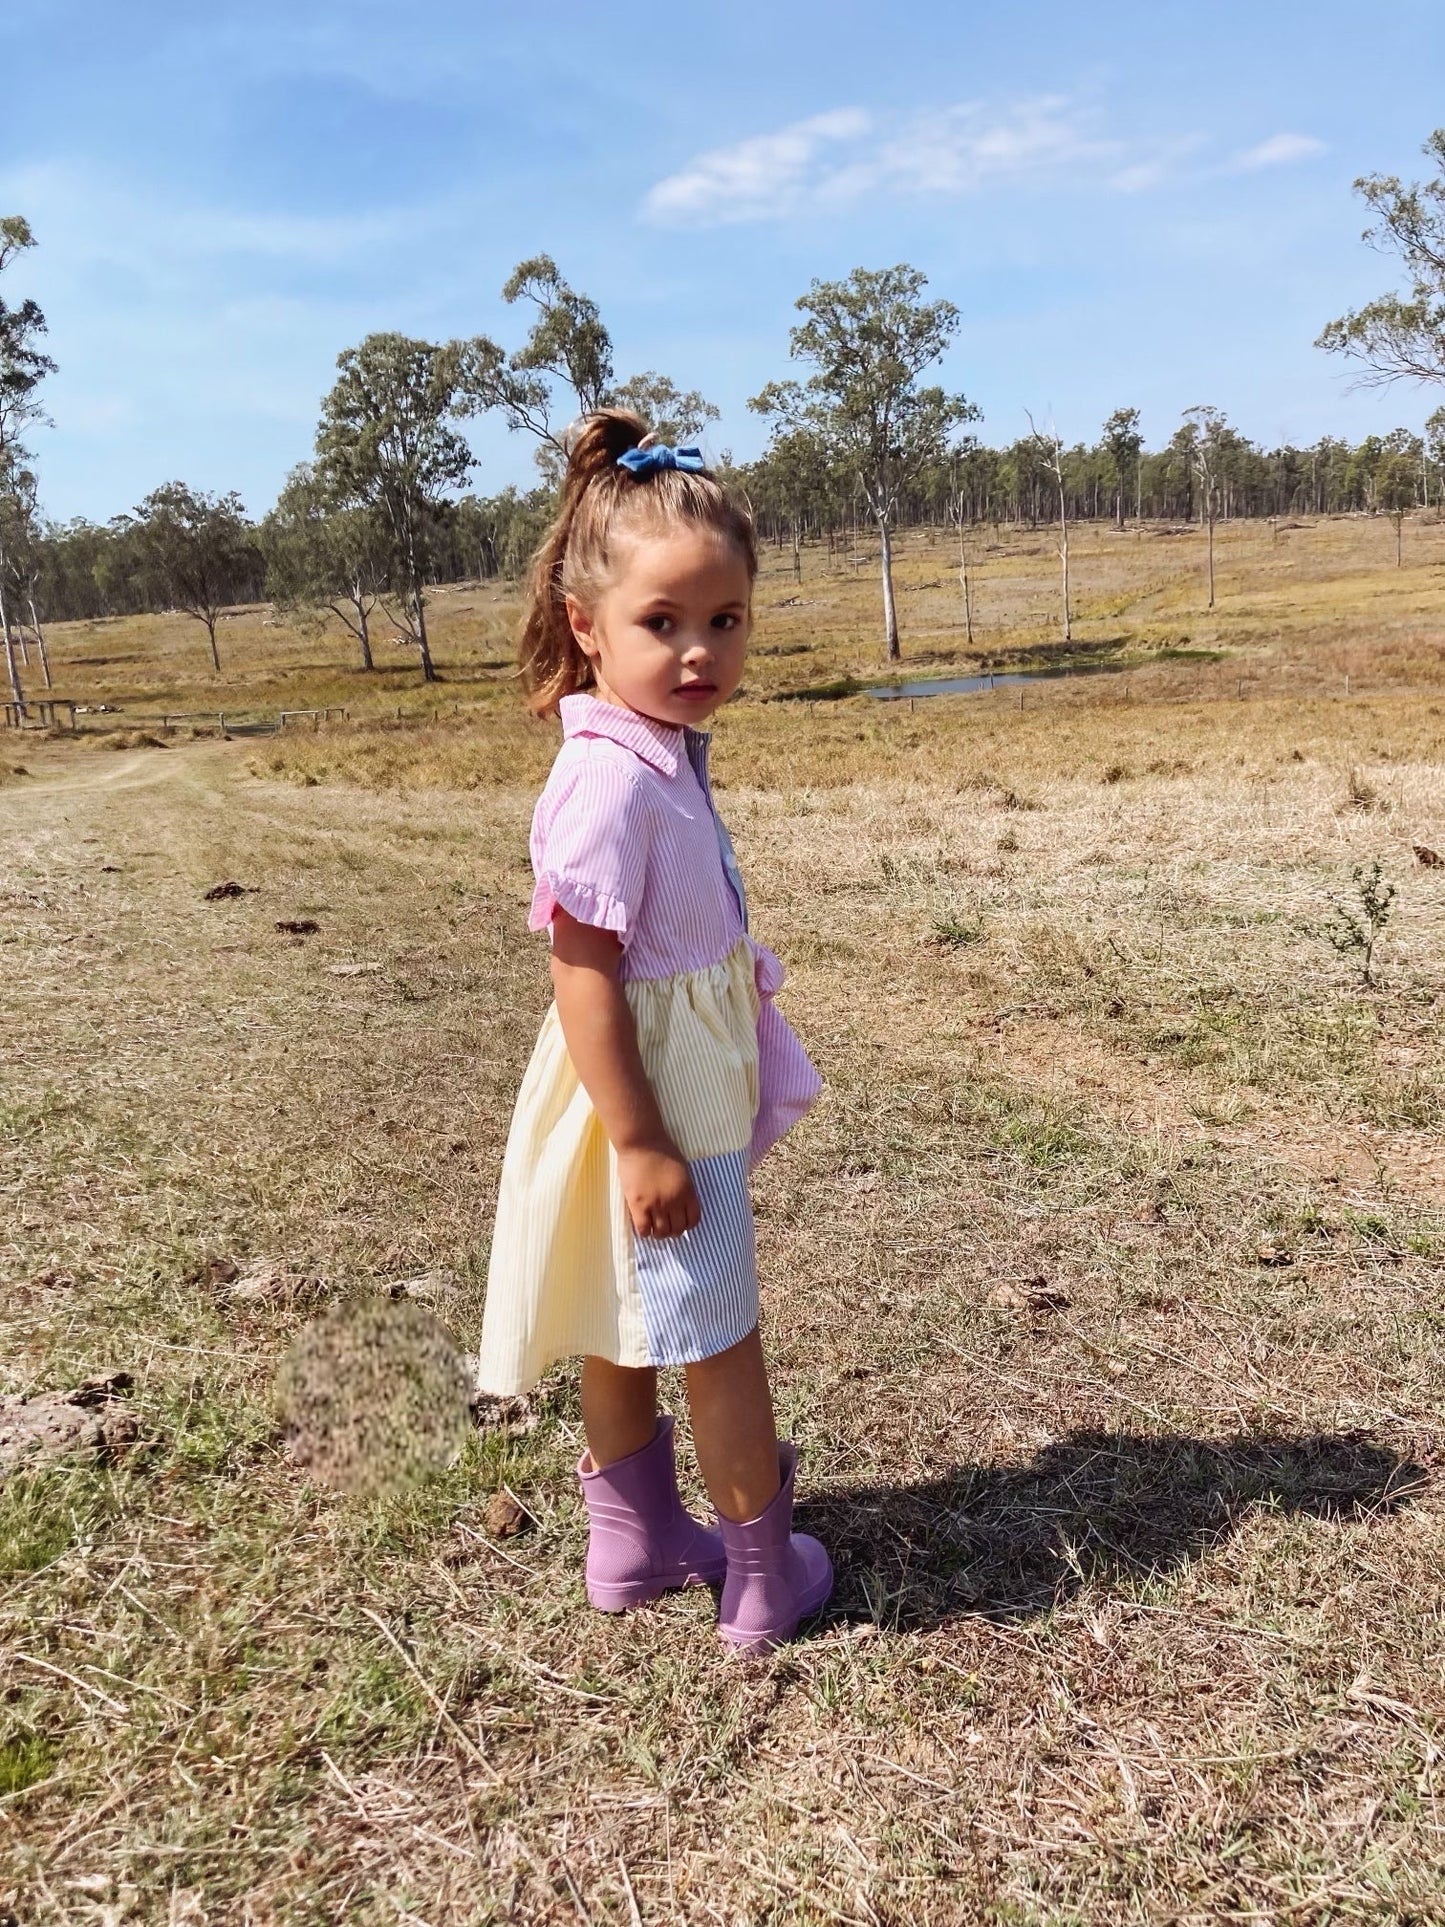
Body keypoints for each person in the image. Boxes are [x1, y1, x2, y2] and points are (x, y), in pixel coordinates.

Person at [478, 410, 832, 1652]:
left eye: (723, 621)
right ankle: (758, 1575)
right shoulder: (609, 776)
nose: (697, 651)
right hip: (646, 1093)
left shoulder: (657, 747)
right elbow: (581, 965)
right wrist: (639, 1140)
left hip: (654, 1081)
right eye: (661, 623)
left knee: (627, 1310)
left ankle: (631, 1542)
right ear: (588, 625)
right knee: (717, 1331)